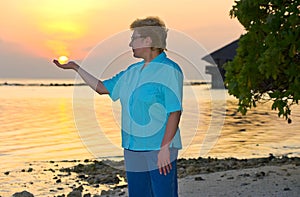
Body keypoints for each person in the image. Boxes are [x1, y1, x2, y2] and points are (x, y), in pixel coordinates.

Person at [53, 16, 183, 197]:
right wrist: (76, 68)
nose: (130, 44)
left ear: (148, 40)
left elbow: (174, 111)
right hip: (132, 148)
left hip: (158, 148)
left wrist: (164, 149)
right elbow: (102, 88)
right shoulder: (132, 71)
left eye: (134, 38)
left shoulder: (169, 70)